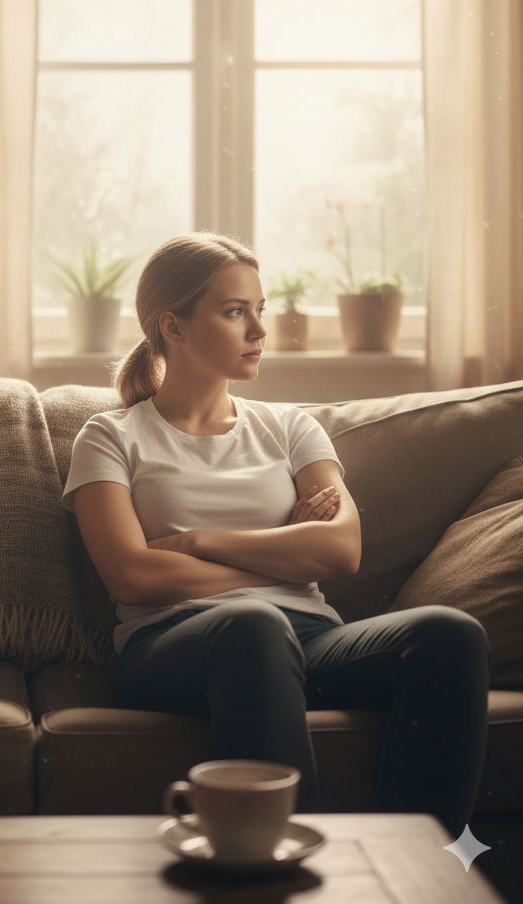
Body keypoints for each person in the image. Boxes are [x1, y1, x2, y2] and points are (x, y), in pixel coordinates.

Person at [62, 232, 489, 836]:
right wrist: (287, 554)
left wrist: (194, 542)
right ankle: (286, 871)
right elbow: (132, 575)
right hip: (171, 645)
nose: (260, 331)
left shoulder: (292, 428)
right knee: (253, 625)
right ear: (174, 327)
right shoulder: (110, 438)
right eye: (236, 312)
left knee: (450, 634)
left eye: (258, 310)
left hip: (309, 638)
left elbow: (341, 550)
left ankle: (421, 867)